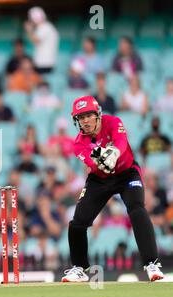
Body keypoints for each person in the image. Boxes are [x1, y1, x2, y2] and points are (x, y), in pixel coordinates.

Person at [62, 95, 164, 282]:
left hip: (127, 173)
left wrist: (113, 153)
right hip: (100, 179)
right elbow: (94, 165)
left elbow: (121, 142)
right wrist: (101, 162)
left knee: (137, 209)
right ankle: (79, 268)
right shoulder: (79, 143)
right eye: (81, 117)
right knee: (78, 223)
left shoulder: (113, 122)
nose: (85, 121)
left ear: (97, 114)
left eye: (88, 115)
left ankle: (152, 264)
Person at [23, 6, 59, 74]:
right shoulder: (44, 27)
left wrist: (29, 30)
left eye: (31, 19)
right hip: (43, 64)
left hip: (45, 64)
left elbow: (36, 40)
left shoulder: (45, 27)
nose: (30, 21)